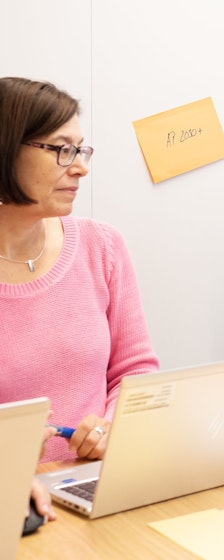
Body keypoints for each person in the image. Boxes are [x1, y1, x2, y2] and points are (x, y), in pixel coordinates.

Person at [0, 77, 159, 462]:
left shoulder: (101, 245)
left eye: (81, 150)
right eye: (62, 150)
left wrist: (113, 424)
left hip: (92, 480)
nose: (80, 168)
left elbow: (135, 371)